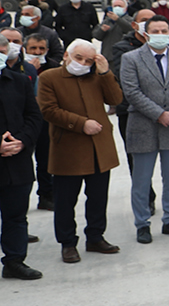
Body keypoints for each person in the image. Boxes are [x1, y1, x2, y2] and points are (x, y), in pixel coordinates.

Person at [38, 40, 122, 262]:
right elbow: (49, 110)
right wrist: (81, 123)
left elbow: (115, 100)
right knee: (65, 200)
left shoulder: (96, 76)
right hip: (69, 148)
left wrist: (105, 73)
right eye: (78, 58)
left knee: (98, 197)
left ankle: (95, 237)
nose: (82, 64)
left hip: (99, 148)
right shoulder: (49, 77)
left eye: (88, 61)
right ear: (66, 55)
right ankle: (67, 243)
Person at [119, 17, 169, 244]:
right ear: (146, 33)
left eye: (165, 30)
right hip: (143, 125)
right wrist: (159, 114)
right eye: (156, 30)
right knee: (141, 179)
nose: (161, 33)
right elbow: (131, 92)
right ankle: (142, 223)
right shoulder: (130, 58)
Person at [0, 31, 44, 279]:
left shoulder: (19, 81)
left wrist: (22, 141)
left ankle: (14, 261)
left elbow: (34, 116)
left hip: (17, 160)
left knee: (16, 216)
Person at [22, 34, 56, 211]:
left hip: (45, 120)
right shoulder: (19, 67)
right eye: (33, 49)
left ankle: (46, 195)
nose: (37, 52)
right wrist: (30, 72)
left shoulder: (53, 67)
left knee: (45, 159)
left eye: (41, 49)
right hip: (23, 121)